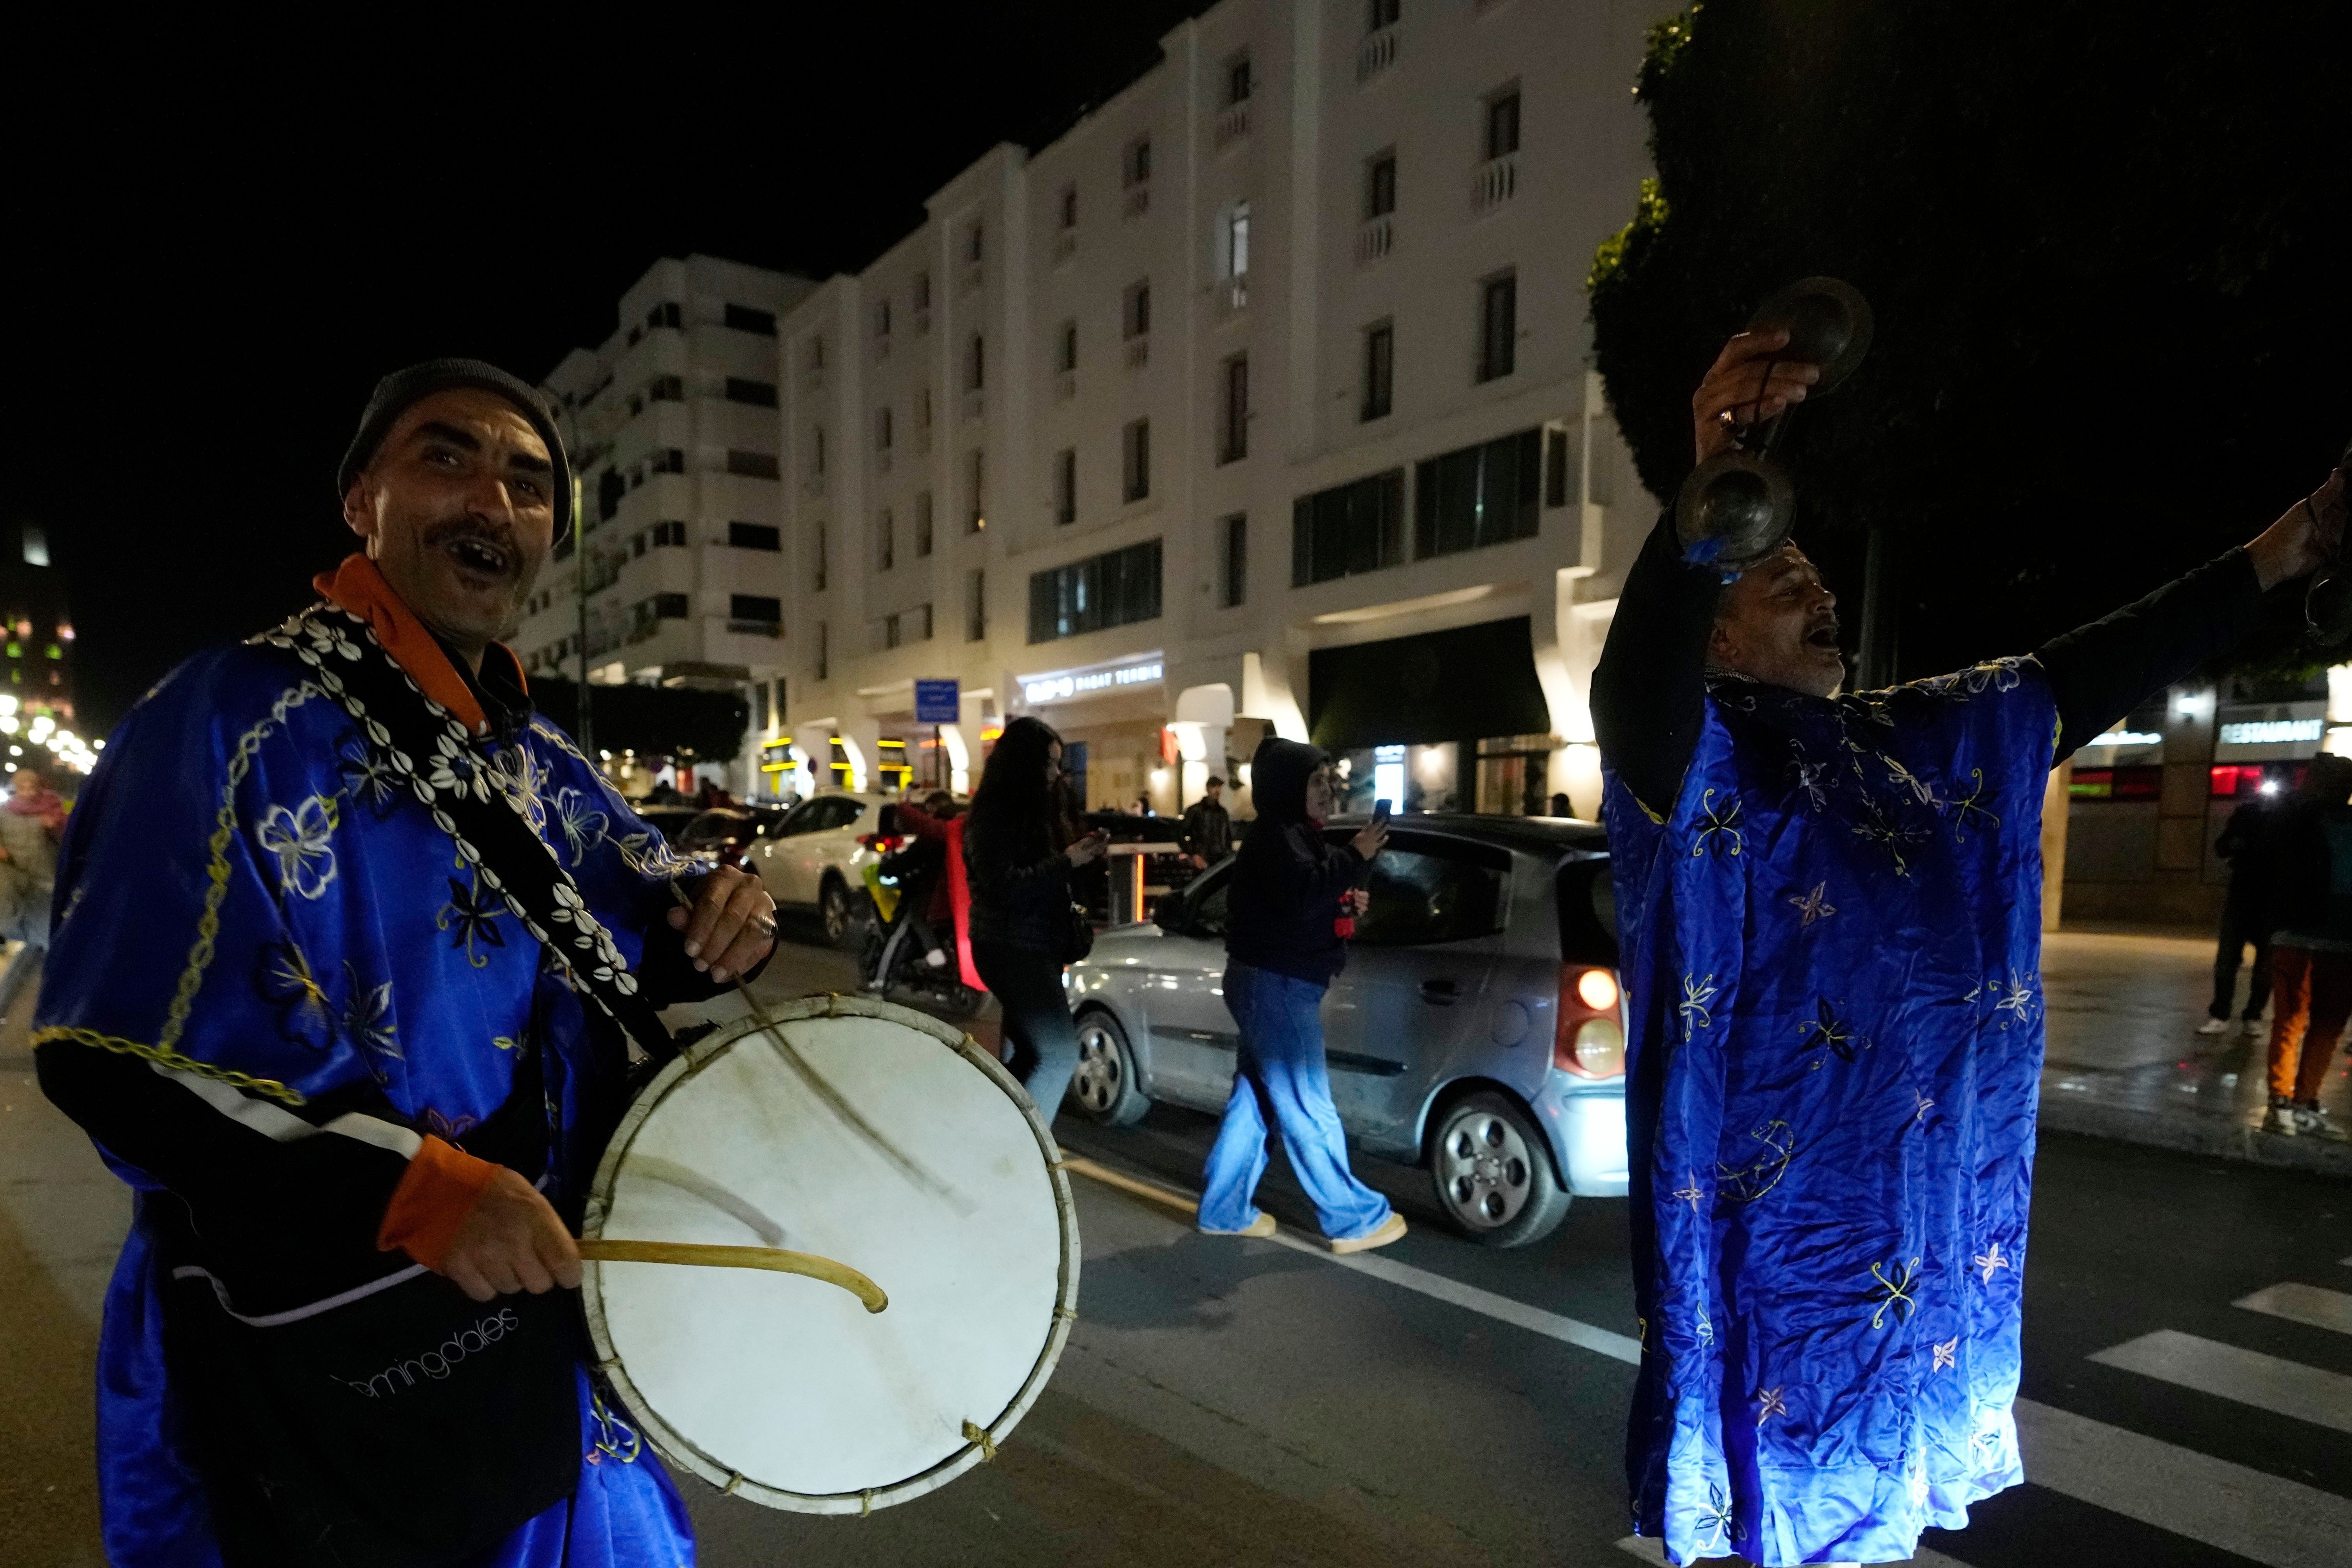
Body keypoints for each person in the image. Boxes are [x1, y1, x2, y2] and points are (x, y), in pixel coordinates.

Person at [1591, 325, 2345, 1566]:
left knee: (1876, 1511)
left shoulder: (1916, 746)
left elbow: (2081, 671)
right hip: (1773, 1252)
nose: (1817, 591)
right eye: (1776, 577)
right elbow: (1638, 679)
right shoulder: (1692, 762)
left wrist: (2282, 553)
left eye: (1817, 574)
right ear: (1717, 636)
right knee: (1780, 1507)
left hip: (1914, 1240)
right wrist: (1704, 496)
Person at [34, 360, 778, 1568]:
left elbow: (634, 934)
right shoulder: (228, 714)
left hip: (527, 1335)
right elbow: (117, 1047)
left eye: (529, 483)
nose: (492, 499)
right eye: (449, 457)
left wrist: (722, 912)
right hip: (308, 1341)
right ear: (360, 498)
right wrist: (422, 1188)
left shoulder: (539, 756)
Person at [1197, 737, 1404, 1253]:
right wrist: (1354, 855)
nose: (1327, 791)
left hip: (1270, 982)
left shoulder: (1293, 836)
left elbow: (1307, 899)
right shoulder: (1276, 836)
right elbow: (1299, 898)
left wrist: (1348, 894)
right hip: (1276, 985)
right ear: (1288, 786)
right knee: (1308, 1105)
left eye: (1329, 781)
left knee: (1258, 1101)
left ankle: (1224, 1209)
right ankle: (1351, 1217)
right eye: (1316, 782)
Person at [962, 717, 1109, 1124]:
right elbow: (1002, 885)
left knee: (1028, 1054)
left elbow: (1047, 874)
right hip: (1012, 945)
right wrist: (1067, 861)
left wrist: (1084, 857)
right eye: (1049, 763)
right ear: (1025, 764)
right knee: (1059, 1052)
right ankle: (1025, 1156)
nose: (1056, 773)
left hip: (1032, 943)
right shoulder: (994, 814)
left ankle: (997, 1144)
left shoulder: (1037, 810)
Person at [2260, 753, 2352, 1138]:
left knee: (2320, 1023)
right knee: (2300, 1021)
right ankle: (2287, 1101)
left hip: (2336, 937)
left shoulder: (2297, 820)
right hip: (2304, 934)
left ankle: (2299, 1102)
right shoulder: (2294, 820)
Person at [2202, 782, 2285, 1035]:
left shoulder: (2286, 819)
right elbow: (2222, 846)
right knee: (2227, 960)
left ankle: (2253, 1015)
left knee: (2265, 966)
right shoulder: (2246, 814)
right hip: (2242, 895)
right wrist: (2237, 844)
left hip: (2271, 899)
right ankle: (2220, 1014)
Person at [0, 763, 66, 1016]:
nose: (27, 791)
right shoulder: (5, 812)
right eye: (22, 787)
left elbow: (66, 840)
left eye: (31, 786)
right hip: (17, 876)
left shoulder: (52, 809)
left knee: (51, 925)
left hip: (47, 877)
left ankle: (56, 985)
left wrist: (54, 828)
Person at [1180, 773, 1235, 868]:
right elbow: (1180, 833)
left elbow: (1227, 837)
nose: (1217, 790)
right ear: (1208, 789)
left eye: (1219, 787)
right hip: (1203, 860)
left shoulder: (1222, 812)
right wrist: (1194, 855)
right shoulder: (1195, 811)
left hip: (1220, 860)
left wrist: (1228, 854)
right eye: (1214, 787)